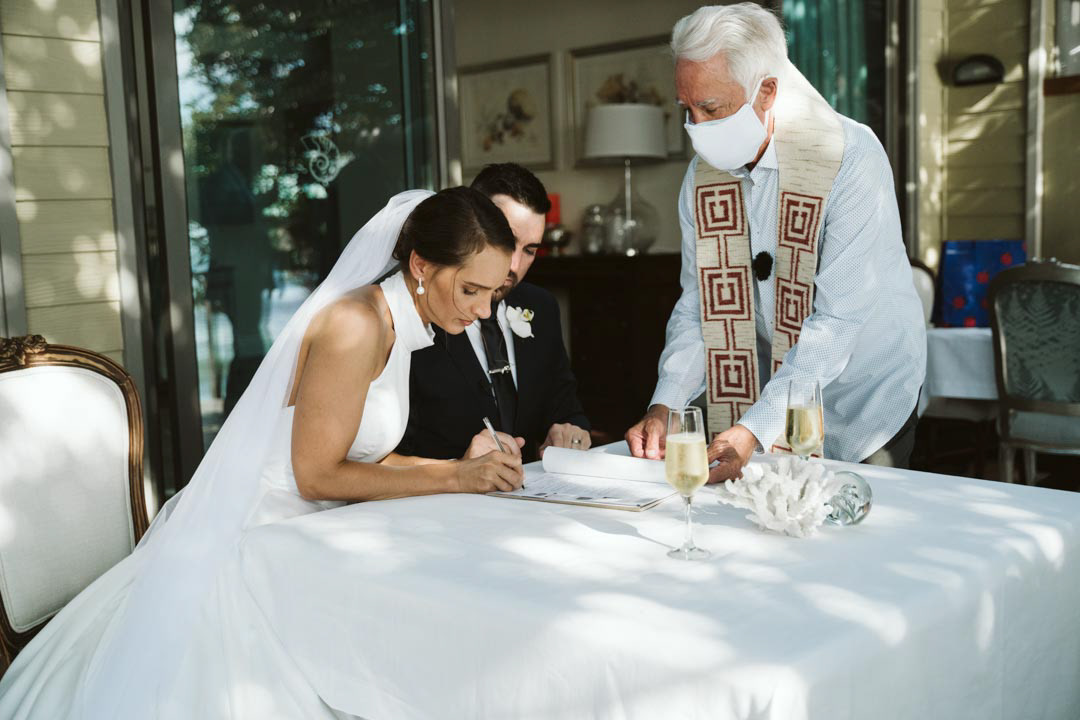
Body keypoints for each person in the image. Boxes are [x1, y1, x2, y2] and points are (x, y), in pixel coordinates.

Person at [0, 188, 527, 718]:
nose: (483, 310)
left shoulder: (397, 324)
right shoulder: (357, 324)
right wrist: (455, 479)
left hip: (315, 535)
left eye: (493, 292)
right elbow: (317, 474)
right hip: (258, 544)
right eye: (470, 290)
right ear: (420, 265)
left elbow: (354, 452)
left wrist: (463, 467)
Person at [626, 4, 926, 478]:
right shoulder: (701, 180)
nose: (698, 129)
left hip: (866, 394)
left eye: (712, 109)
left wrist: (755, 428)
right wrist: (667, 403)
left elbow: (839, 320)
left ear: (766, 91)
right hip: (772, 393)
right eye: (688, 110)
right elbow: (699, 305)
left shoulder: (850, 156)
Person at [397, 163, 590, 462]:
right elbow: (391, 454)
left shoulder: (541, 307)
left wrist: (570, 432)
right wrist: (459, 470)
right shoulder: (418, 316)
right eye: (507, 242)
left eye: (530, 250)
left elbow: (566, 409)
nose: (514, 265)